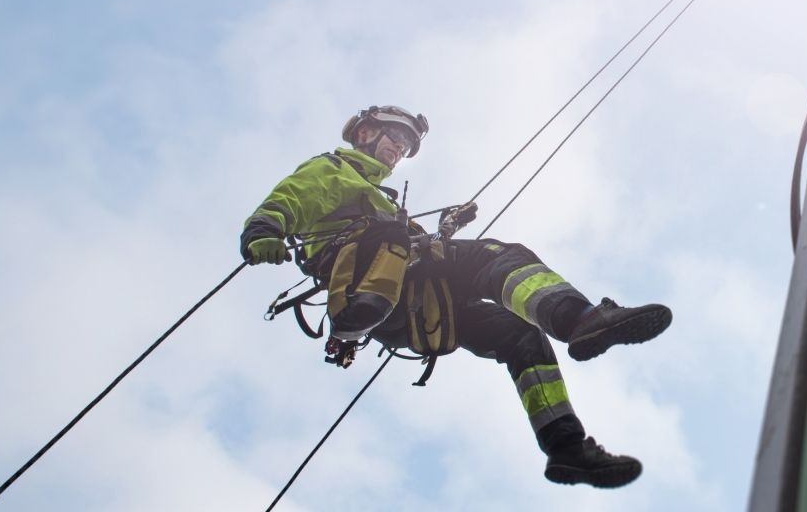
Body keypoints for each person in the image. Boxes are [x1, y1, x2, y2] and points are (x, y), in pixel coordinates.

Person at [239, 105, 672, 488]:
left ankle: (566, 447)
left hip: (402, 305)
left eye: (407, 146)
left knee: (520, 336)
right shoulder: (336, 170)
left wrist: (446, 230)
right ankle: (579, 320)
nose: (399, 150)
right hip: (382, 285)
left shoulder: (381, 201)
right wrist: (264, 231)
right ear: (366, 133)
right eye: (396, 138)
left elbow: (409, 251)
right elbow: (292, 198)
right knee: (498, 258)